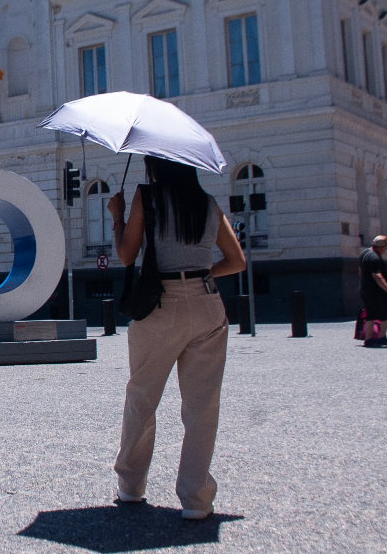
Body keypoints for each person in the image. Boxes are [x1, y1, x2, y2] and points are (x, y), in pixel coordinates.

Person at [106, 156, 246, 521]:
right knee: (202, 407)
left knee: (142, 396)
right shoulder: (208, 203)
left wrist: (116, 216)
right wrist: (201, 274)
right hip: (206, 303)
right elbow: (236, 260)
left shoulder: (145, 197)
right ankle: (196, 500)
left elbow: (125, 255)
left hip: (160, 307)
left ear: (155, 165)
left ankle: (131, 486)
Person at [359, 235, 387, 347]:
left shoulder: (365, 253)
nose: (386, 249)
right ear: (380, 247)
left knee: (370, 314)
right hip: (378, 292)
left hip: (366, 290)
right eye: (386, 247)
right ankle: (382, 337)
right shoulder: (374, 258)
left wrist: (363, 283)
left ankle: (369, 340)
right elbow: (377, 276)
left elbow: (360, 270)